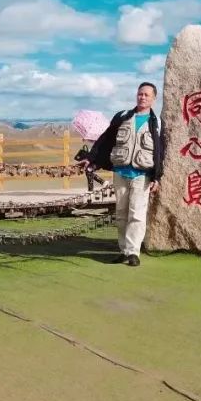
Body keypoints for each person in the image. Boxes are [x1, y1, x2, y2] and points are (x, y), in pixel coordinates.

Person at [84, 82, 164, 267]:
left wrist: (157, 177)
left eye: (146, 95)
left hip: (141, 174)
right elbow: (106, 140)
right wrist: (92, 158)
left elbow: (160, 151)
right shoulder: (122, 117)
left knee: (137, 214)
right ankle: (123, 249)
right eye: (140, 94)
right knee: (121, 214)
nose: (142, 97)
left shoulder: (156, 123)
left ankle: (133, 252)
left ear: (154, 98)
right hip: (120, 172)